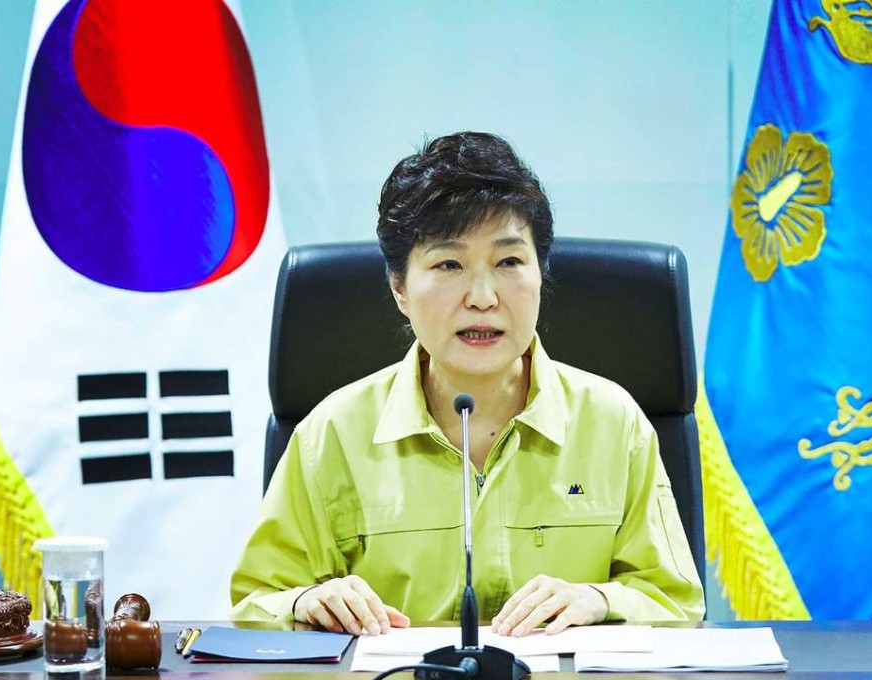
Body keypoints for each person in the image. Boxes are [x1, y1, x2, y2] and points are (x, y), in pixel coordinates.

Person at [230, 131, 704, 636]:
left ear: (541, 274)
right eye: (449, 265)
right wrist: (307, 601)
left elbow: (674, 602)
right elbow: (257, 603)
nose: (482, 297)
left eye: (508, 262)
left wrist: (597, 599)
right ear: (399, 290)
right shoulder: (334, 432)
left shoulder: (614, 422)